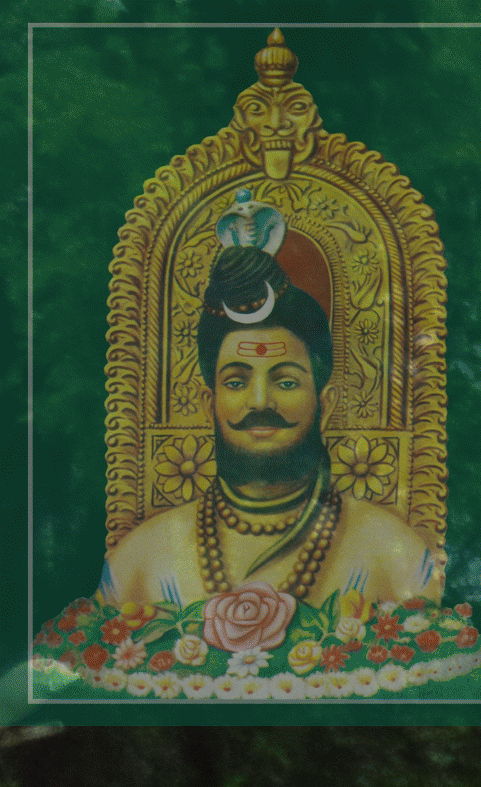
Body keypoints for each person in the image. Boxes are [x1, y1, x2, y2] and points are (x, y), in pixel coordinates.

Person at [102, 206, 443, 615]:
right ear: (209, 403)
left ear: (326, 401)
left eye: (285, 381)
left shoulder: (394, 556)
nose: (259, 401)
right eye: (235, 381)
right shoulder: (138, 563)